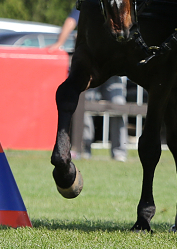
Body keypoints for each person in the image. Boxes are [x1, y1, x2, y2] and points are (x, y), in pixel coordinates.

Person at [50, 8, 128, 162]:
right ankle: (84, 149)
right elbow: (71, 21)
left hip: (113, 70)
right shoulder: (91, 0)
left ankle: (119, 152)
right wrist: (59, 43)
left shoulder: (116, 3)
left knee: (119, 105)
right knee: (84, 107)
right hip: (91, 68)